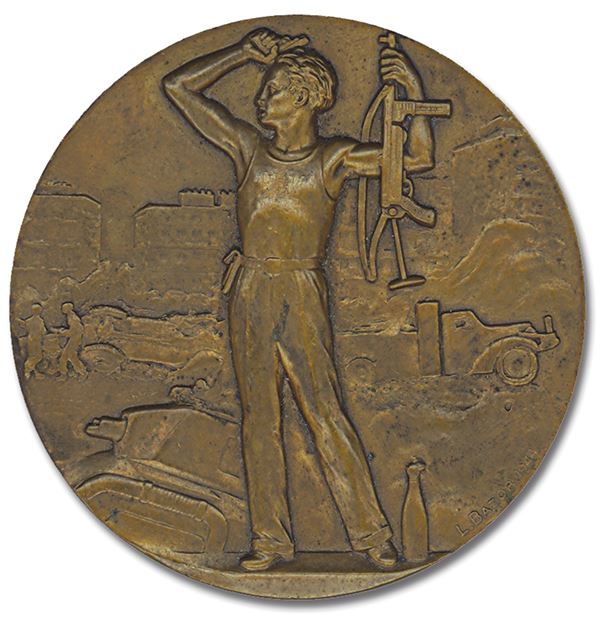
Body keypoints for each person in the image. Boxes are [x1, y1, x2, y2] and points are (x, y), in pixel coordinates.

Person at [162, 28, 434, 571]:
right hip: (250, 290)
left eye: (274, 90)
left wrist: (412, 92)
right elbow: (177, 87)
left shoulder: (334, 158)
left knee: (324, 410)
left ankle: (370, 535)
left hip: (302, 289)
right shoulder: (247, 149)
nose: (260, 98)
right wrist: (243, 53)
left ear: (307, 98)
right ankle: (270, 541)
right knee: (259, 418)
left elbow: (416, 159)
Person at [58, 302, 86, 376]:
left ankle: (81, 371)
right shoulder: (71, 316)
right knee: (67, 355)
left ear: (67, 309)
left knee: (68, 354)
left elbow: (77, 329)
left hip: (75, 339)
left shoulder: (73, 318)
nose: (62, 309)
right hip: (75, 338)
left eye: (63, 308)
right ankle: (65, 372)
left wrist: (63, 333)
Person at [23, 303, 47, 378]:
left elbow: (27, 329)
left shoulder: (28, 321)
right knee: (37, 356)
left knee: (33, 356)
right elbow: (43, 331)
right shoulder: (40, 321)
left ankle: (33, 372)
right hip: (36, 339)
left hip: (30, 339)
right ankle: (27, 370)